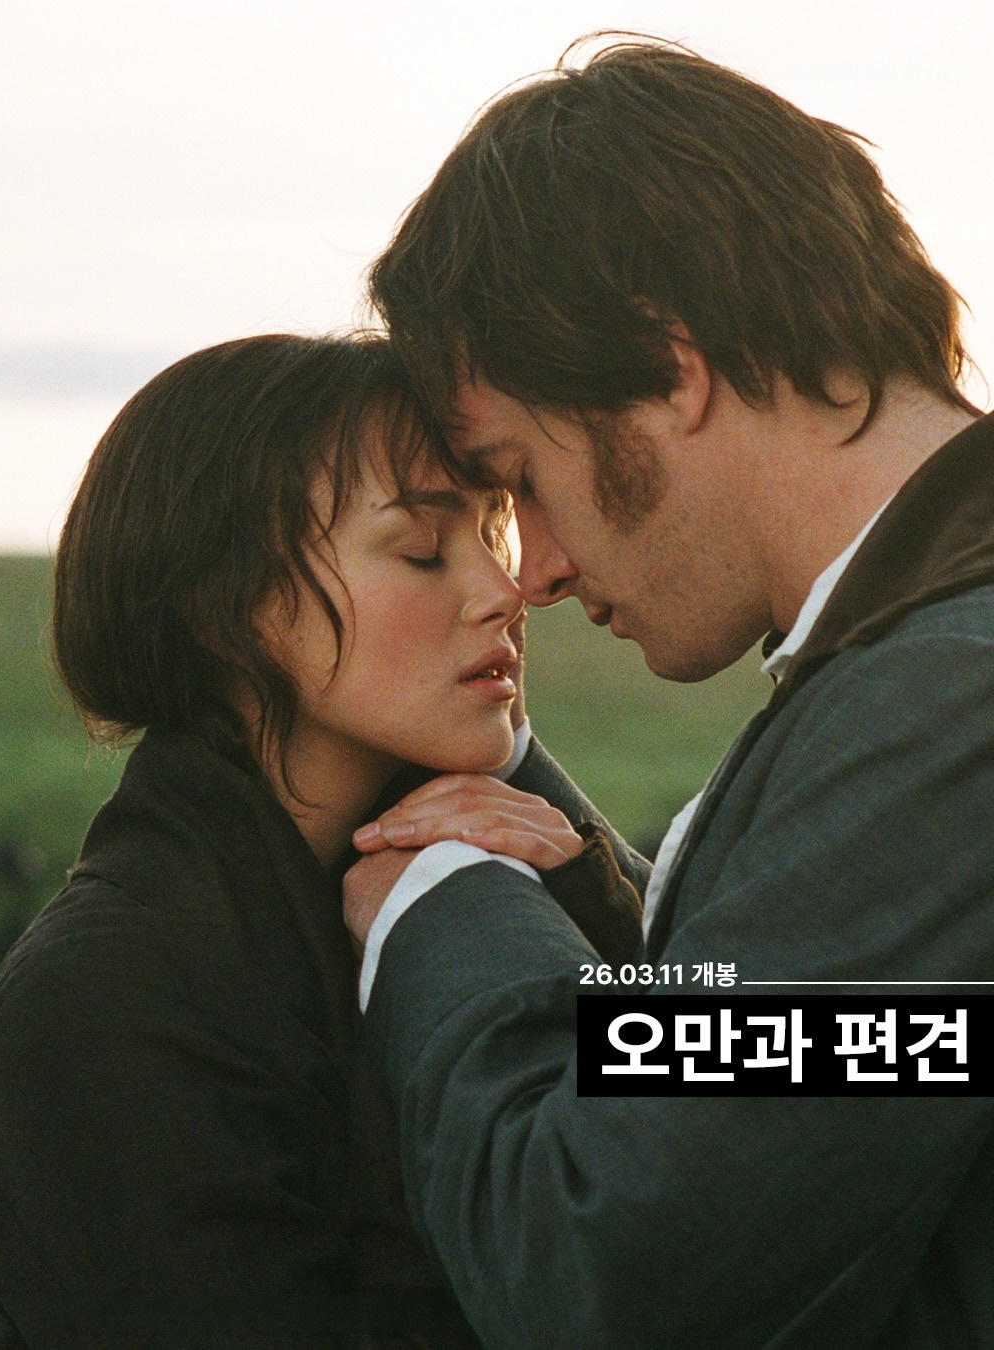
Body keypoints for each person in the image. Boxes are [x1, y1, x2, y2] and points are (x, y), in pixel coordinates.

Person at [341, 37, 994, 1349]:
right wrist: (593, 892)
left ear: (666, 365)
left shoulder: (950, 703)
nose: (537, 569)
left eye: (521, 477)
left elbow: (608, 1266)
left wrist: (442, 904)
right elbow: (890, 1068)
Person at [0, 334, 644, 1349]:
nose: (505, 590)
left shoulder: (486, 862)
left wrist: (588, 901)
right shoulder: (106, 997)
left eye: (491, 534)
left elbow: (759, 1102)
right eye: (422, 548)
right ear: (227, 609)